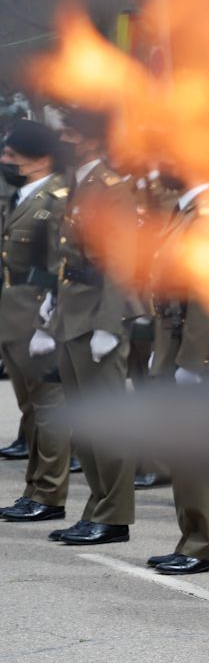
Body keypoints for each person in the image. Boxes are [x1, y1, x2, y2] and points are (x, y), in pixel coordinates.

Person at [46, 108, 141, 546]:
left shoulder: (111, 188)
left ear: (89, 138)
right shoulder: (81, 183)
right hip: (72, 314)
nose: (60, 138)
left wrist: (109, 324)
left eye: (67, 131)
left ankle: (114, 515)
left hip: (96, 318)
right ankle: (98, 508)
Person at [144, 176, 209, 575]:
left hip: (197, 352)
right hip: (174, 340)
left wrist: (193, 361)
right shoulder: (186, 209)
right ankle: (191, 540)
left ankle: (203, 546)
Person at [0, 120, 71, 524]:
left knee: (48, 408)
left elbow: (57, 268)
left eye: (12, 155)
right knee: (31, 409)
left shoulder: (55, 198)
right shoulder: (21, 197)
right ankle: (33, 489)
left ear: (41, 158)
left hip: (36, 317)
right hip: (13, 315)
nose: (4, 161)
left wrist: (48, 323)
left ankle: (49, 494)